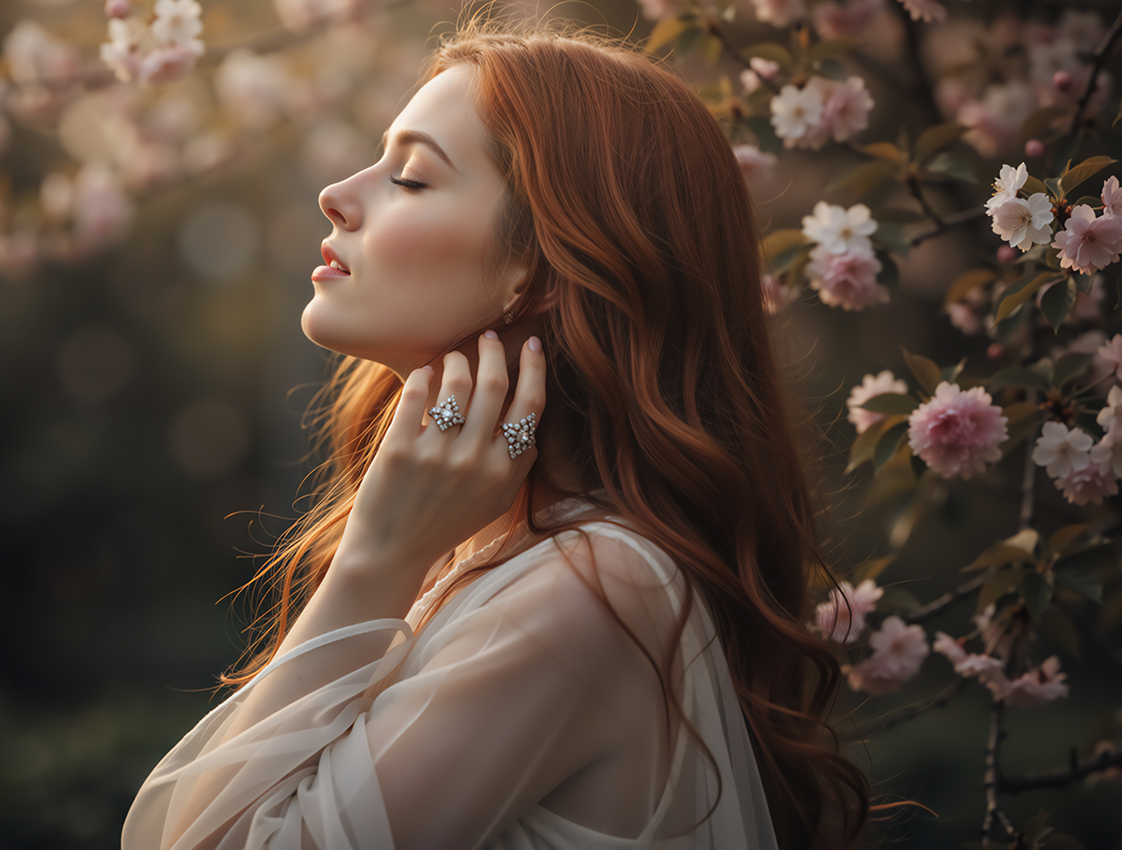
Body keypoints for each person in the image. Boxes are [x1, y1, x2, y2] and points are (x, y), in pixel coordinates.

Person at [124, 18, 871, 850]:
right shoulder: (507, 560)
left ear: (542, 269)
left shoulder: (594, 590)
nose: (339, 192)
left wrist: (376, 558)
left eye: (409, 177)